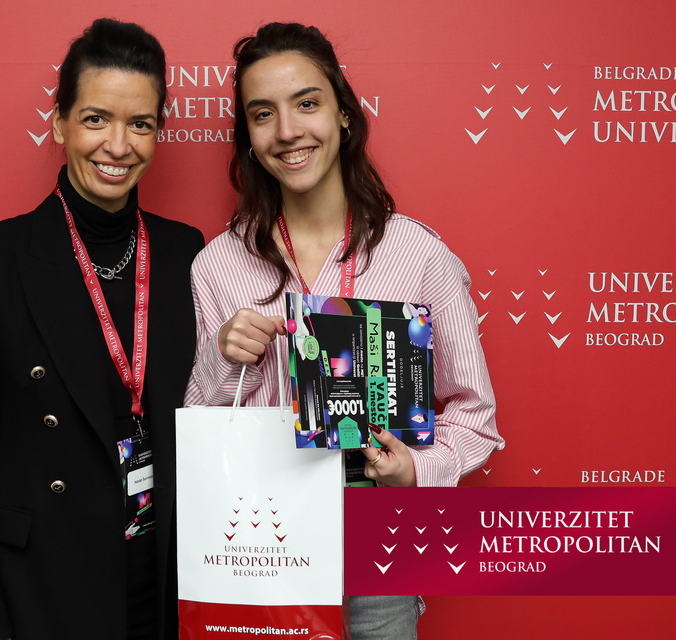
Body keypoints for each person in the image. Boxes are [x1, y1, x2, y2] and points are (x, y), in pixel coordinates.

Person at [184, 22, 504, 639]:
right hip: (262, 553)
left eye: (307, 103)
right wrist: (224, 357)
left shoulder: (418, 255)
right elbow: (202, 428)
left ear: (345, 115)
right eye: (262, 114)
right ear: (248, 137)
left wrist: (418, 470)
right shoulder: (217, 265)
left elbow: (475, 417)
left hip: (376, 558)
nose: (287, 131)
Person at [0, 18, 204, 640]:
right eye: (95, 119)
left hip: (166, 584)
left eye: (140, 124)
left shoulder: (187, 253)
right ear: (59, 124)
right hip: (43, 590)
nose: (118, 145)